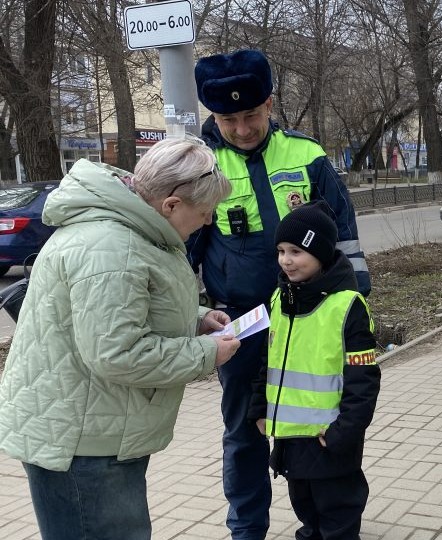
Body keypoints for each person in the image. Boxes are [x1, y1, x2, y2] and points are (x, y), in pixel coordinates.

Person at [0, 137, 240, 539]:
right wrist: (205, 353)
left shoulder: (127, 229)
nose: (209, 222)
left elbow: (121, 310)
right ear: (172, 205)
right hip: (83, 445)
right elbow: (118, 352)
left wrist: (196, 319)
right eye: (205, 212)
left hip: (93, 429)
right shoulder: (114, 247)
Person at [190, 48, 369, 539]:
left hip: (315, 321)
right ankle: (247, 528)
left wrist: (357, 306)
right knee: (246, 430)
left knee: (324, 420)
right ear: (214, 116)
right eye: (229, 119)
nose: (243, 128)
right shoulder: (202, 168)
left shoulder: (307, 155)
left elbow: (344, 236)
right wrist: (193, 312)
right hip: (244, 326)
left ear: (269, 104)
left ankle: (327, 519)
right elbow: (184, 249)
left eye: (251, 114)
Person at [250, 202, 380, 540]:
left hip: (330, 438)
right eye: (280, 251)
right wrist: (259, 410)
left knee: (338, 511)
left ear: (321, 252)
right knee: (306, 506)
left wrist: (344, 432)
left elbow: (363, 380)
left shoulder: (347, 305)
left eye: (296, 251)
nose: (285, 260)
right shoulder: (280, 299)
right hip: (291, 437)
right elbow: (269, 360)